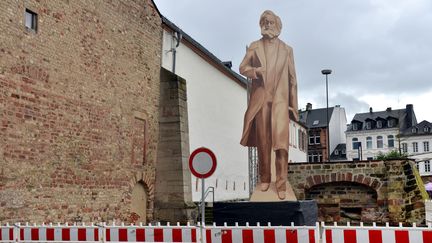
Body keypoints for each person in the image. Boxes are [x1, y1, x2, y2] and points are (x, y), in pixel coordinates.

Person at [239, 10, 298, 200]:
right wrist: (256, 71)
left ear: (278, 25)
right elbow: (242, 68)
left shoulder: (287, 49)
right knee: (263, 143)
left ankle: (281, 183)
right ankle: (265, 178)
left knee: (281, 146)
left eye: (271, 22)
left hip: (280, 103)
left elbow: (292, 79)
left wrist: (293, 106)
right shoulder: (255, 47)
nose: (267, 24)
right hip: (262, 100)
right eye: (264, 21)